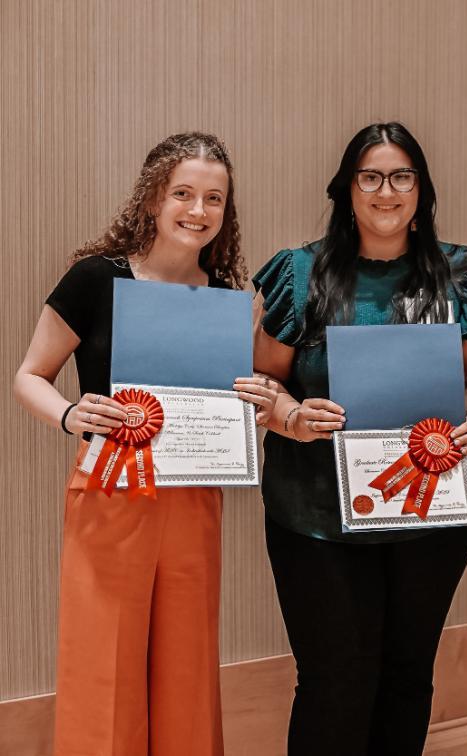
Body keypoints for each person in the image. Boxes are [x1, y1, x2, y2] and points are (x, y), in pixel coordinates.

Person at [13, 132, 278, 755]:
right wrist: (71, 414)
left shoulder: (224, 298)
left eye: (215, 198)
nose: (198, 210)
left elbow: (224, 404)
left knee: (187, 665)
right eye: (183, 193)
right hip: (109, 492)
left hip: (193, 498)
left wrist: (257, 408)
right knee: (104, 662)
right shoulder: (93, 279)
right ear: (153, 198)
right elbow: (29, 376)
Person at [252, 122, 467, 755]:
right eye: (371, 177)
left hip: (432, 515)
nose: (386, 191)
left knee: (408, 676)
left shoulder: (458, 274)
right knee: (335, 680)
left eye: (401, 176)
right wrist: (291, 419)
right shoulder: (298, 273)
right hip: (317, 518)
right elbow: (262, 381)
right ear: (347, 189)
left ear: (421, 189)